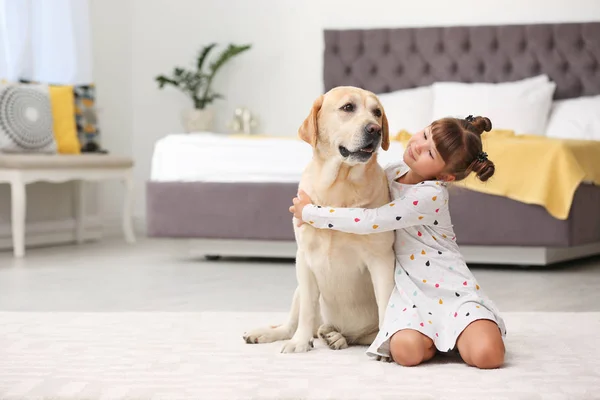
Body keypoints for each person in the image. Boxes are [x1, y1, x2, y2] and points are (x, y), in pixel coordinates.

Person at [289, 115, 507, 369]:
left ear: (446, 176)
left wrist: (311, 213)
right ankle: (437, 338)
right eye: (424, 135)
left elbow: (372, 219)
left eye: (430, 153)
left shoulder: (431, 194)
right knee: (404, 353)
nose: (417, 146)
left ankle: (463, 330)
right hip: (409, 294)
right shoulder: (392, 173)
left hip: (449, 290)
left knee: (487, 356)